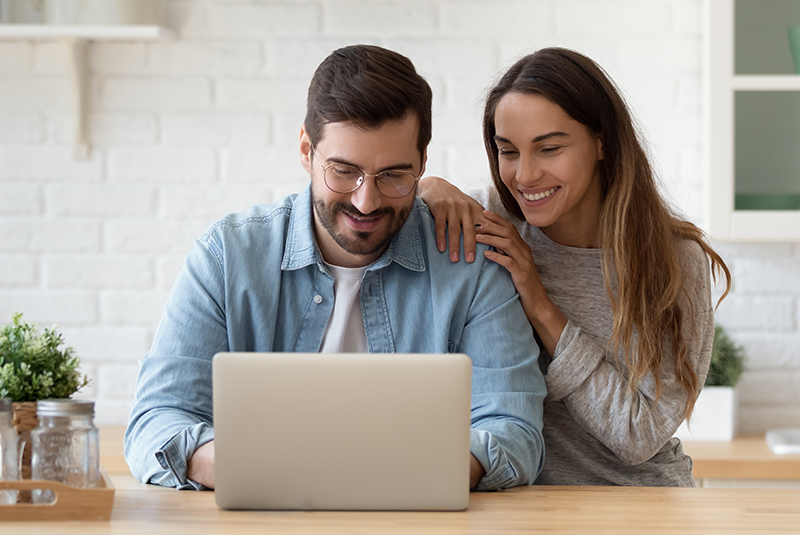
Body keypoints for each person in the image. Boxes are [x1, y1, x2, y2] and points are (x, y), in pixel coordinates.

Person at [124, 44, 546, 492]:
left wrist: (396, 478)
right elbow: (156, 421)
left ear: (423, 164)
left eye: (393, 175)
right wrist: (260, 470)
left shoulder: (470, 264)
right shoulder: (228, 258)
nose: (367, 201)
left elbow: (514, 430)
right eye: (343, 171)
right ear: (307, 150)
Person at [418, 47, 731, 486]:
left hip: (641, 502)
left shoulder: (673, 260)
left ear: (602, 141)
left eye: (549, 149)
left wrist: (542, 307)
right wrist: (428, 187)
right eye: (508, 151)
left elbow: (638, 436)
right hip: (520, 502)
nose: (525, 176)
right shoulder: (493, 222)